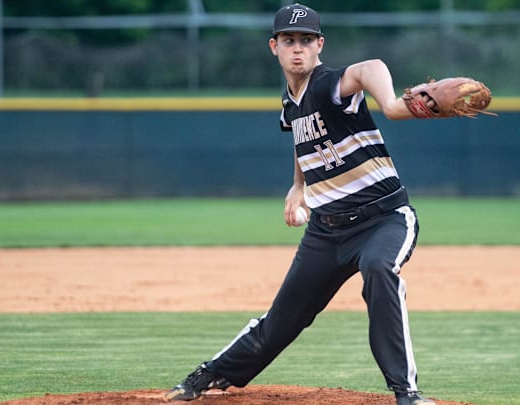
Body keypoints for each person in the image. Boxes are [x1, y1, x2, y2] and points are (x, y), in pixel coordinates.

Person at [164, 3, 437, 405]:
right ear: (273, 46)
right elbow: (301, 135)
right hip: (326, 232)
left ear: (319, 45)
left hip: (383, 219)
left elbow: (368, 67)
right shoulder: (290, 103)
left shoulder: (328, 84)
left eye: (306, 40)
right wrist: (298, 186)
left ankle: (406, 393)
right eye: (289, 40)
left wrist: (393, 105)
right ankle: (209, 375)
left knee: (380, 269)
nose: (298, 49)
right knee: (281, 322)